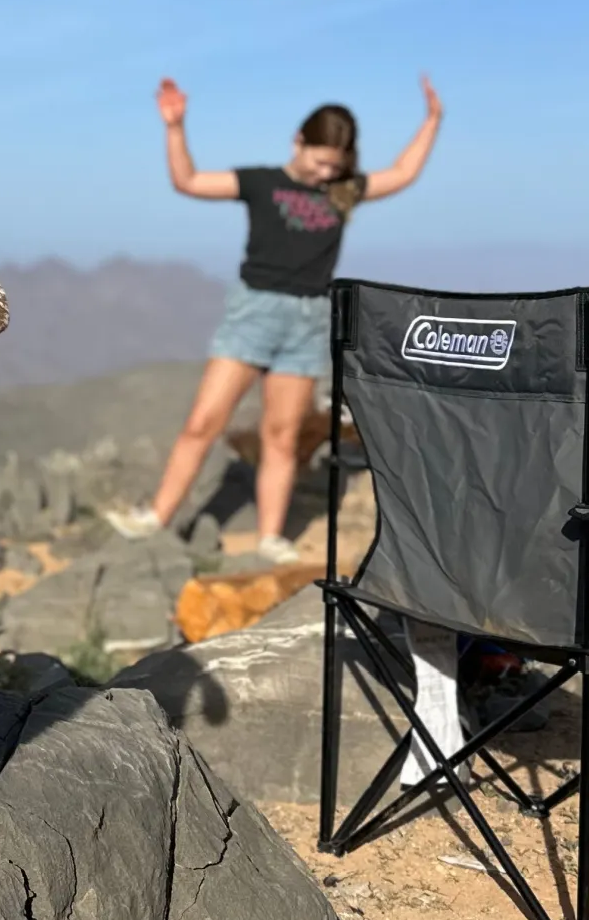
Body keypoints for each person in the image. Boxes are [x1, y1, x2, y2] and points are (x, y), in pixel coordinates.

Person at [104, 75, 444, 562]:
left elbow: (403, 172)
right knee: (204, 420)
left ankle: (269, 538)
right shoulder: (263, 183)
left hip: (308, 319)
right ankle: (155, 518)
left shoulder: (343, 193)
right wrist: (175, 127)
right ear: (298, 142)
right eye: (320, 160)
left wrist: (432, 120)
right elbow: (189, 182)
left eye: (336, 165)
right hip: (254, 311)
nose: (327, 172)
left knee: (281, 436)